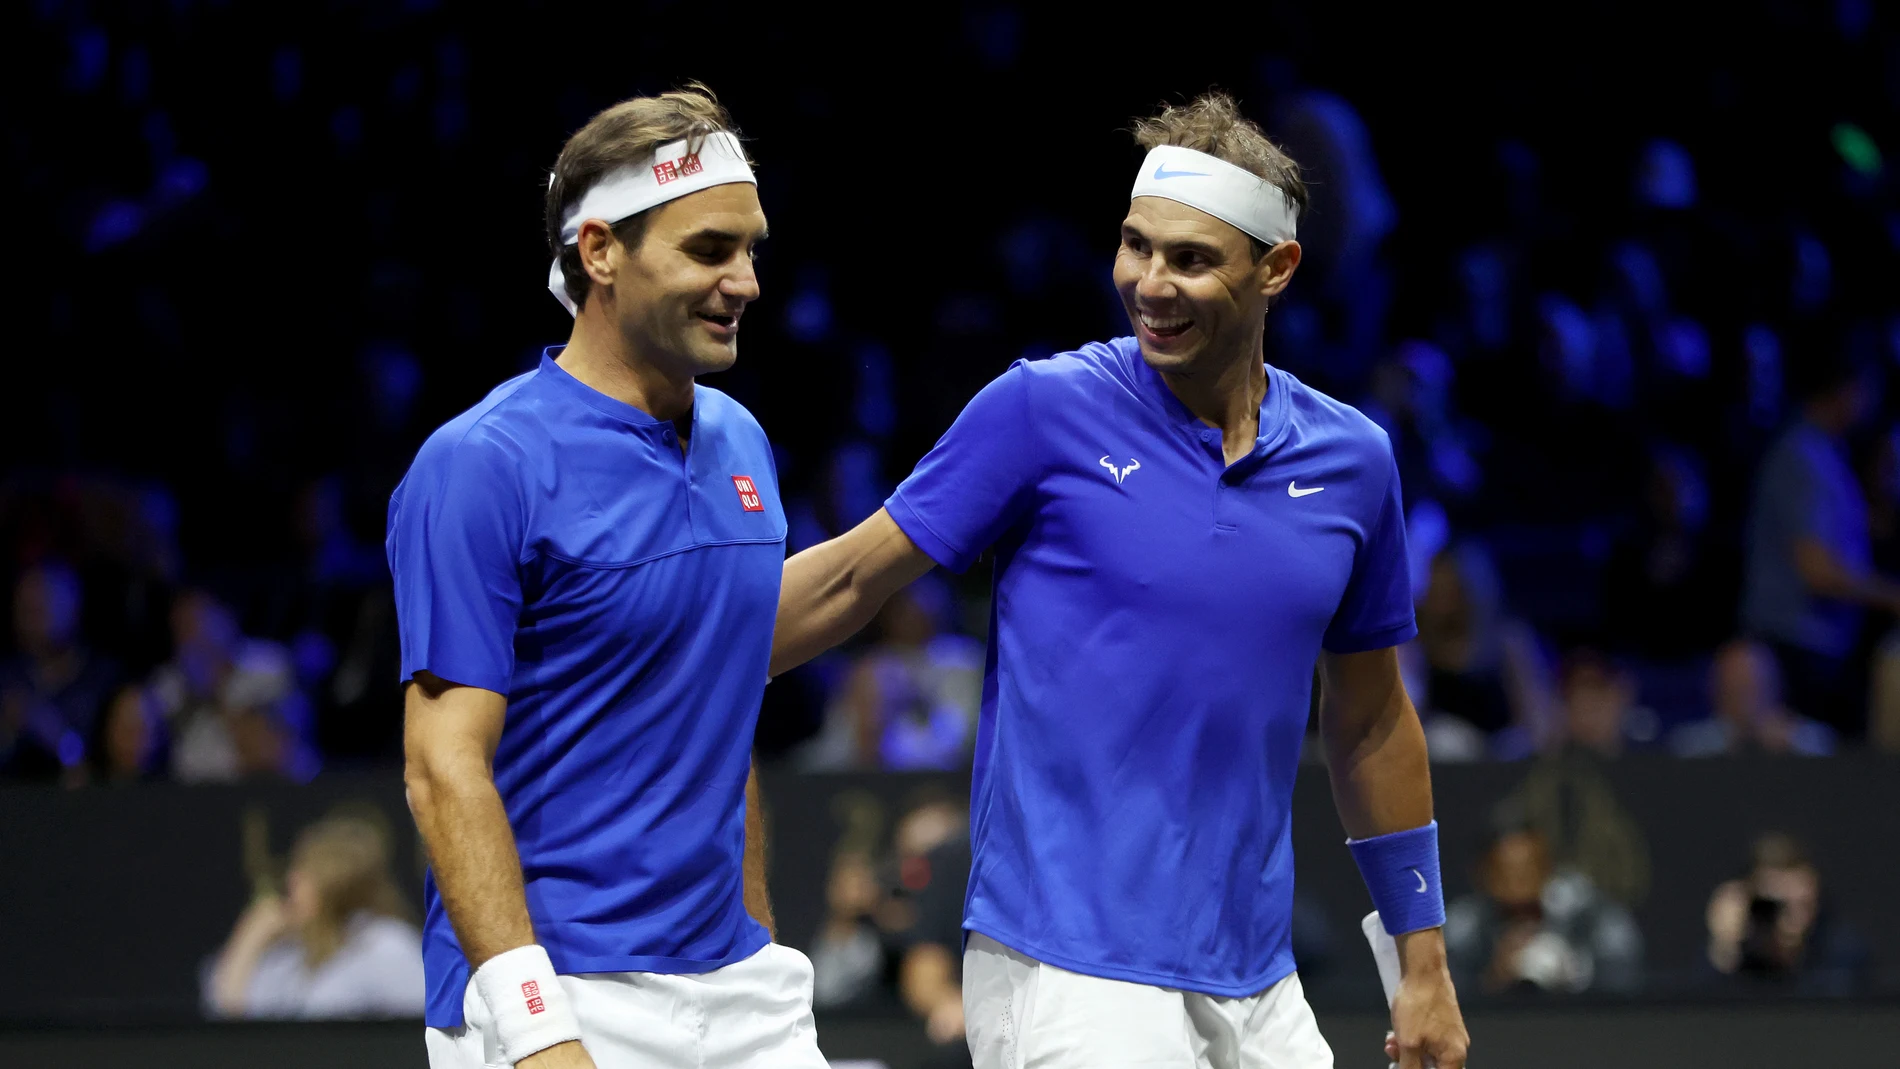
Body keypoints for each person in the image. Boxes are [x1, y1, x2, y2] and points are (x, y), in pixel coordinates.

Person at [772, 93, 1467, 1069]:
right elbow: (851, 579)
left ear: (1277, 269)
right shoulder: (1039, 411)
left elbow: (1370, 719)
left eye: (1190, 259)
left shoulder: (1353, 463)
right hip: (1062, 968)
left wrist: (1422, 963)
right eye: (1136, 246)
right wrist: (659, 668)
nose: (1149, 284)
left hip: (1259, 979)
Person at [388, 87, 824, 1069]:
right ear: (599, 254)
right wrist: (537, 1027)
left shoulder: (742, 441)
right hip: (564, 992)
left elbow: (717, 706)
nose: (745, 279)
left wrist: (756, 940)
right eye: (709, 250)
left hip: (742, 994)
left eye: (752, 248)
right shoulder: (480, 463)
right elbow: (440, 768)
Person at [1741, 350, 1894, 735]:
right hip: (1795, 649)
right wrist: (1893, 597)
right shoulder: (1800, 456)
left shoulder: (1828, 454)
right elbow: (1817, 571)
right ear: (1846, 391)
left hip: (1822, 648)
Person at [205, 814, 426, 1019]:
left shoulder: (385, 945)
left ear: (335, 882)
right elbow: (227, 1013)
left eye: (306, 872)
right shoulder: (294, 955)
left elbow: (421, 1023)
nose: (291, 882)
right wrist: (251, 936)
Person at [1443, 827, 1642, 997]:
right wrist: (1491, 979)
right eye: (1505, 873)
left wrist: (1577, 972)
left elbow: (1626, 980)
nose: (1518, 884)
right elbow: (1439, 995)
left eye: (1529, 869)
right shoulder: (1465, 924)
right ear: (1483, 875)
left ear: (1549, 869)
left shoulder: (1590, 912)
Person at [1704, 832, 1868, 995]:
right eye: (1778, 906)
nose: (1794, 921)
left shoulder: (1844, 953)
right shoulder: (1738, 953)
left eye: (1804, 905)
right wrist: (1725, 947)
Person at [0, 561, 120, 780]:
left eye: (43, 604)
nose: (33, 617)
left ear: (75, 606)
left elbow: (113, 765)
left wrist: (57, 736)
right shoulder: (7, 679)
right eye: (26, 608)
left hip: (87, 805)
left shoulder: (103, 679)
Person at [1669, 639, 1836, 757]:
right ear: (1715, 690)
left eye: (1753, 687)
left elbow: (1827, 762)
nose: (1746, 699)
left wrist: (1789, 744)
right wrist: (1736, 740)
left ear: (1775, 688)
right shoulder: (1692, 740)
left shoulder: (1808, 737)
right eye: (1736, 687)